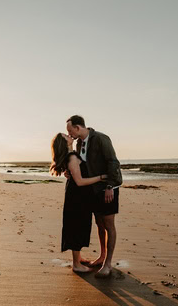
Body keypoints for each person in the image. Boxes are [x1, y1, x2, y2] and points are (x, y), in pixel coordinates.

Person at [66, 115, 122, 278]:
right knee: (99, 222)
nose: (69, 134)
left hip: (108, 187)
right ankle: (102, 256)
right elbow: (81, 164)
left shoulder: (101, 139)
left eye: (70, 130)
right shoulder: (78, 143)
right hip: (92, 189)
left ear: (78, 127)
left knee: (108, 223)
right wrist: (70, 171)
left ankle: (108, 263)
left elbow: (113, 162)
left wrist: (110, 186)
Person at [50, 133, 107, 273]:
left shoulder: (72, 155)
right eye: (66, 136)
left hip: (76, 196)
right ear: (64, 143)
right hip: (77, 197)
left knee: (78, 225)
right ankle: (76, 264)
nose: (69, 135)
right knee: (77, 226)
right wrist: (100, 178)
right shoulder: (72, 157)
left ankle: (78, 258)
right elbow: (80, 181)